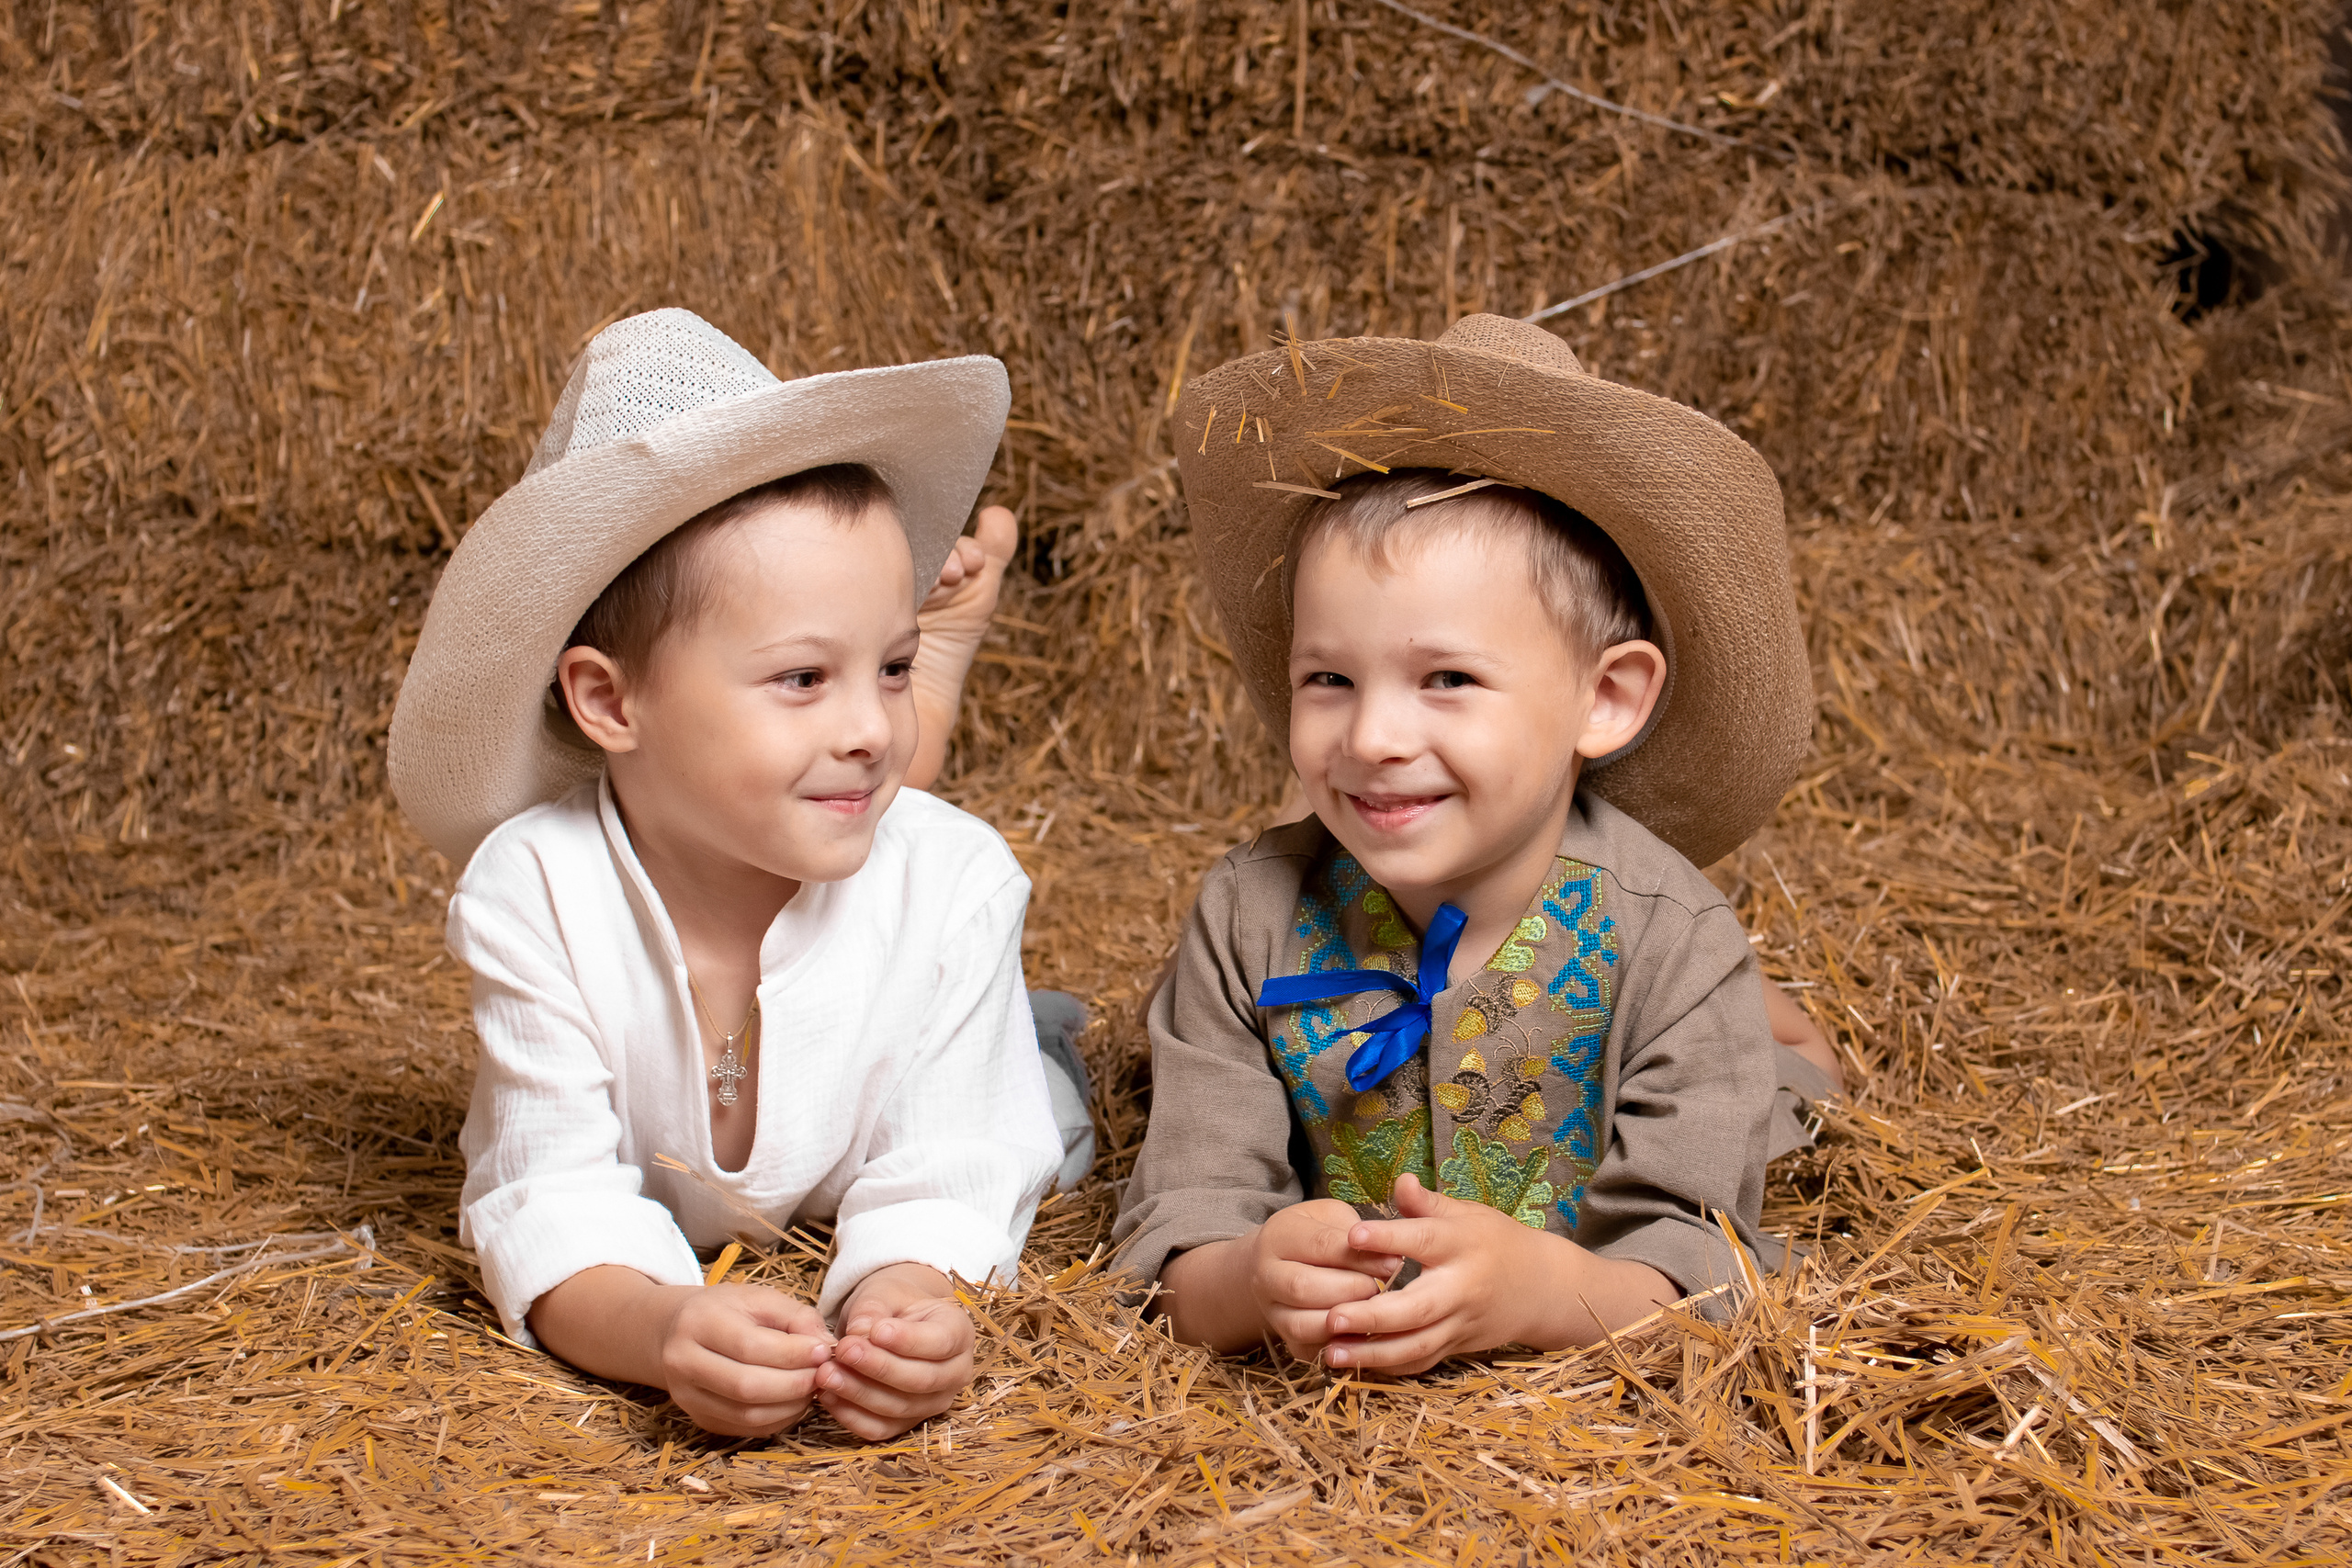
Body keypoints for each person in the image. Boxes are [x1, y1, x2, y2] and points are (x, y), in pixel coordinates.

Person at [387, 308, 1084, 1439]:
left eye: (892, 665)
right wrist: (661, 1327)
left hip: (939, 1023)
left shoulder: (957, 885)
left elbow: (953, 1168)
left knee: (1046, 1113)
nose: (867, 721)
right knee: (867, 784)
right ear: (610, 702)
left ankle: (1037, 1030)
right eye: (803, 676)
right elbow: (543, 1193)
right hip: (811, 879)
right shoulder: (534, 892)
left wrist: (905, 1302)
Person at [1111, 314, 1841, 1373]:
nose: (1370, 739)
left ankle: (1789, 1034)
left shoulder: (1678, 945)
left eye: (1445, 679)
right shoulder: (1246, 917)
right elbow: (1182, 1223)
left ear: (1606, 699)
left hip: (1679, 1008)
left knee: (1784, 1088)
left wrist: (1548, 1290)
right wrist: (1252, 1278)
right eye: (1329, 679)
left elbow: (1708, 1266)